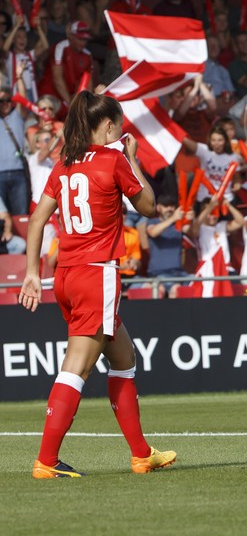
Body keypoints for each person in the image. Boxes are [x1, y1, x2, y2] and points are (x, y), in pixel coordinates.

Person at [18, 90, 175, 478]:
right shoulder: (115, 159)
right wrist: (133, 159)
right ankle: (46, 460)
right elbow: (149, 206)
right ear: (108, 126)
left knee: (123, 358)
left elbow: (37, 221)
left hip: (67, 277)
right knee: (76, 367)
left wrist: (33, 274)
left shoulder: (64, 164)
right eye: (118, 125)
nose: (120, 132)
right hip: (96, 274)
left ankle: (141, 453)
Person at [0, 85, 30, 215]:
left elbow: (23, 100)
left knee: (21, 215)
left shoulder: (17, 116)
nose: (5, 103)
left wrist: (19, 78)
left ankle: (20, 237)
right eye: (1, 101)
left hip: (18, 173)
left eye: (8, 100)